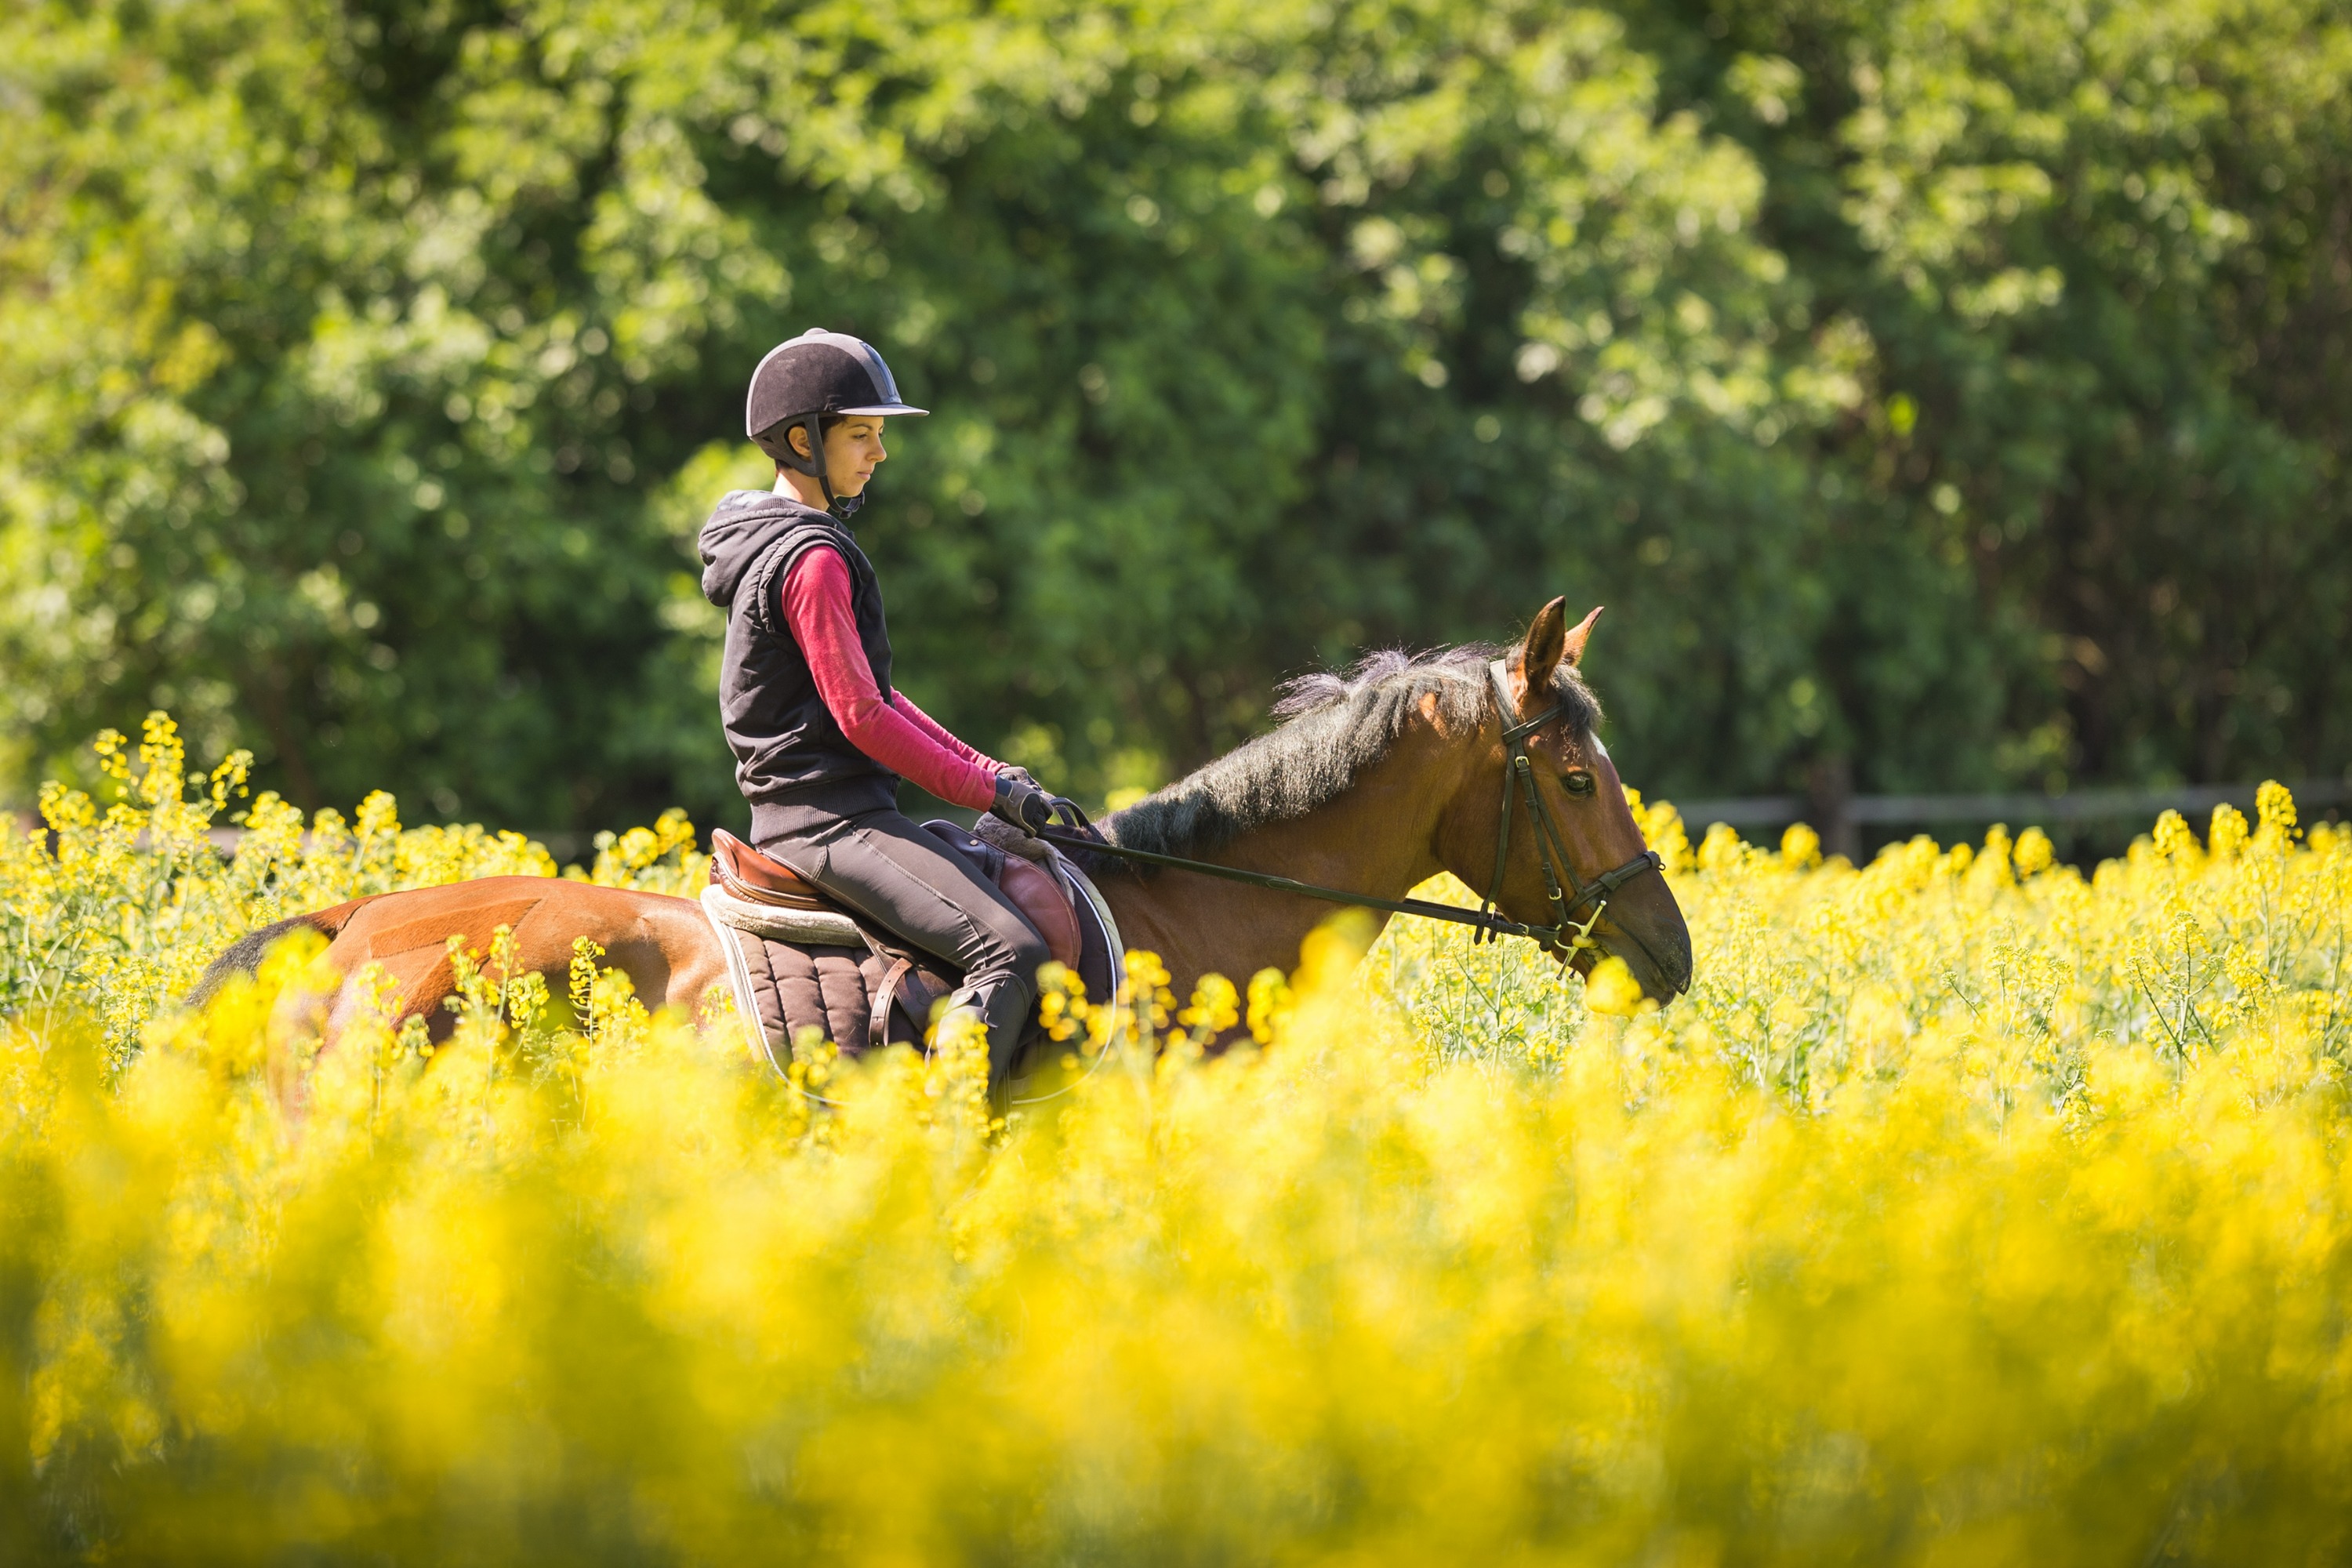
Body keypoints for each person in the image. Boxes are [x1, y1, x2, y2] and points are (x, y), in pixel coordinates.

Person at [698, 328, 1062, 1087]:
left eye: (881, 434)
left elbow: (878, 695)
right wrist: (988, 792)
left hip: (829, 812)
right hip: (829, 824)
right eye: (861, 433)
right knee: (1012, 952)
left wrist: (995, 773)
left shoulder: (788, 543)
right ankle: (946, 1149)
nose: (879, 452)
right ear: (802, 439)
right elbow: (862, 715)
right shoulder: (812, 558)